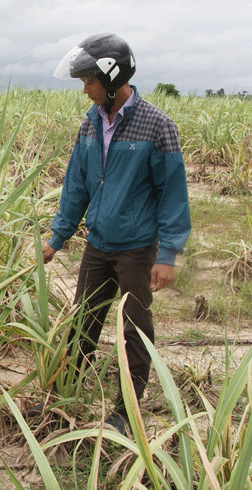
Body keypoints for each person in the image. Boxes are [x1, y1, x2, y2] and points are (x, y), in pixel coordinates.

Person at [42, 32, 191, 434]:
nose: (86, 89)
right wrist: (58, 237)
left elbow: (173, 194)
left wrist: (168, 254)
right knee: (82, 323)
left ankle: (127, 413)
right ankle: (64, 395)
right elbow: (76, 185)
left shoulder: (158, 126)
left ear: (112, 79)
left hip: (138, 249)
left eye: (89, 81)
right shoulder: (91, 123)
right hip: (98, 244)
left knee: (134, 332)